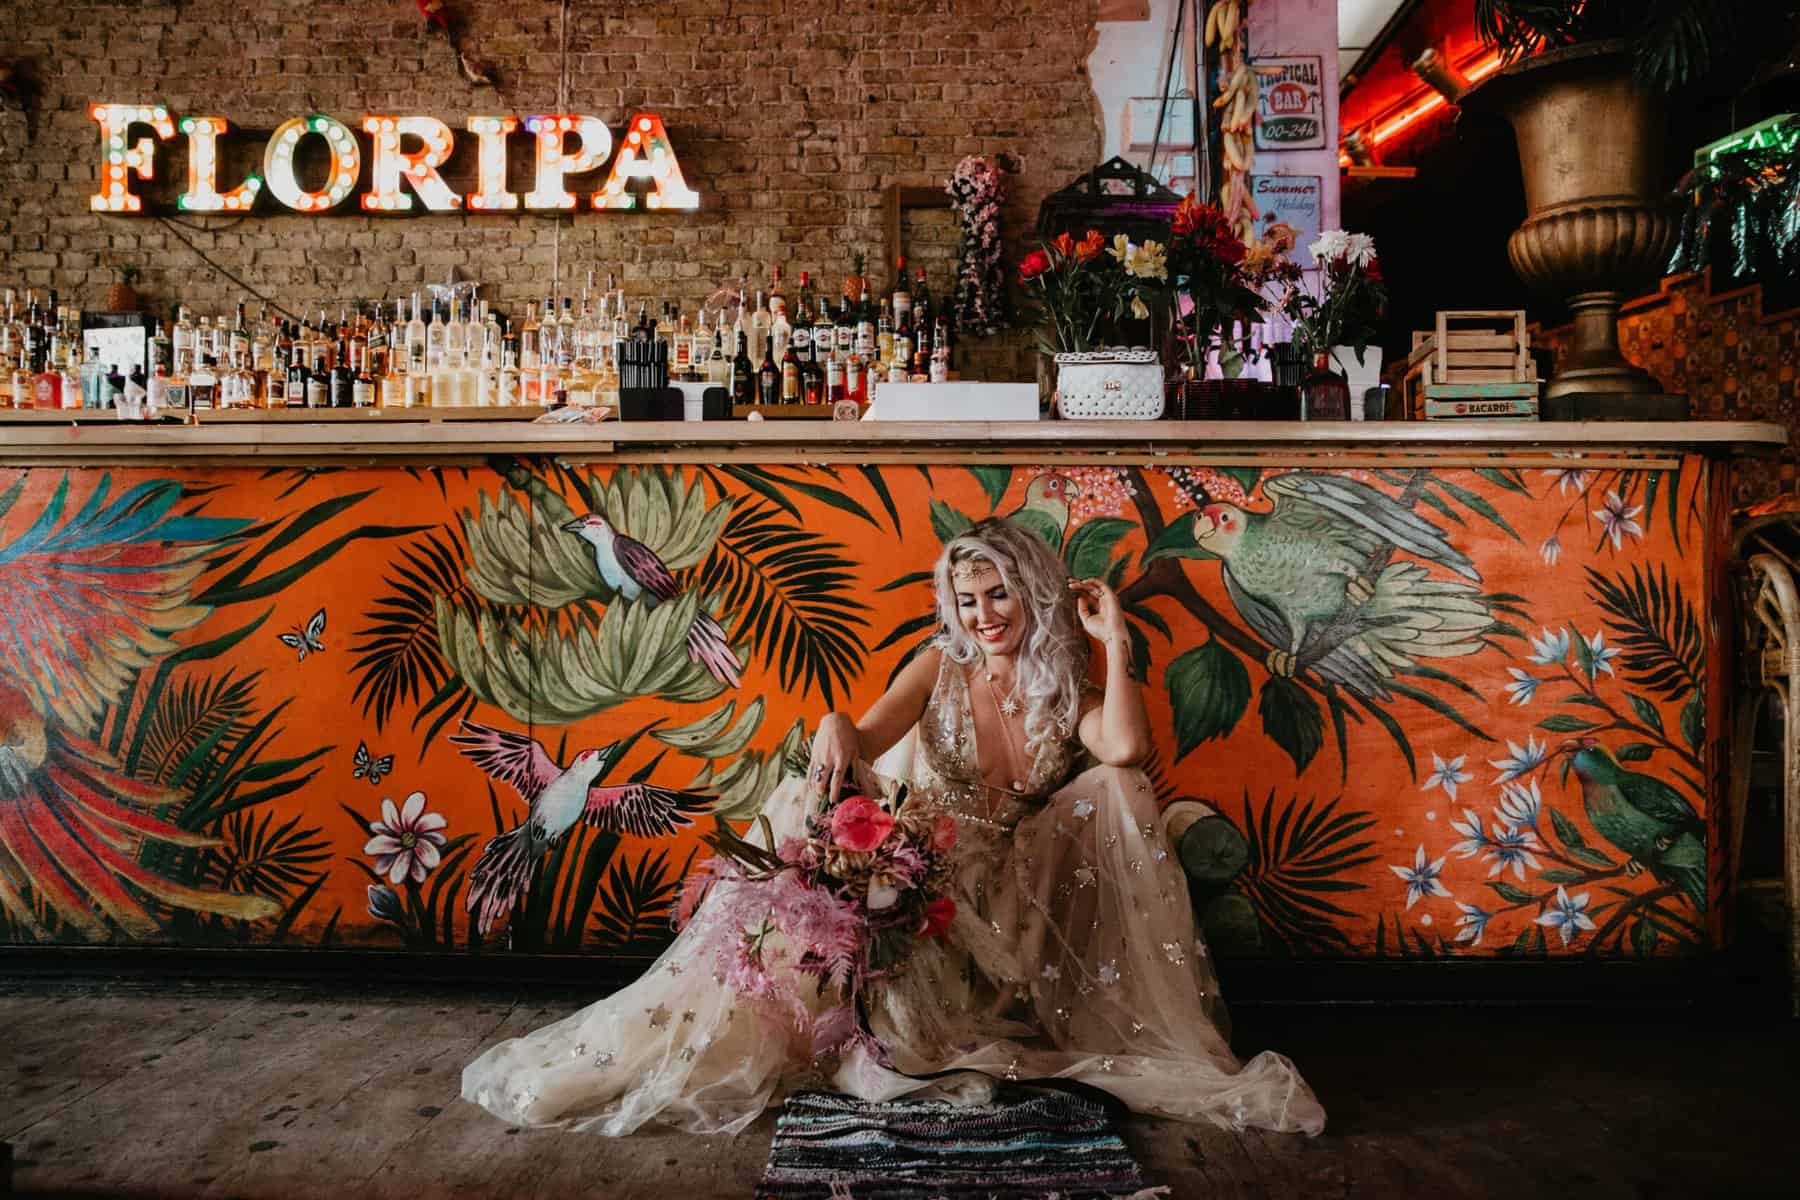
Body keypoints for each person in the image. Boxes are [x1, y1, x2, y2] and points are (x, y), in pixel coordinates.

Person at [462, 517, 1325, 1136]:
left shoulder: (1072, 694)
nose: (985, 615)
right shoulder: (937, 667)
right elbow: (864, 737)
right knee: (824, 811)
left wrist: (1112, 642)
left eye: (1000, 595)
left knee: (1121, 793)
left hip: (1015, 891)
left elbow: (1128, 752)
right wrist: (837, 723)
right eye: (968, 598)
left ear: (1031, 594)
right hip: (922, 866)